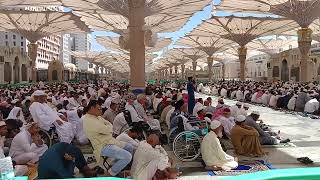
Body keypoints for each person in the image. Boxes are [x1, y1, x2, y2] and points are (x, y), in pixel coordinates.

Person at [82, 100, 133, 177]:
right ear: (92, 108)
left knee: (129, 147)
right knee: (128, 156)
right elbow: (108, 128)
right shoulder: (88, 120)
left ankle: (119, 167)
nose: (101, 110)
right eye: (99, 109)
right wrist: (108, 128)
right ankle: (109, 174)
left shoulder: (97, 117)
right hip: (102, 146)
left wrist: (108, 128)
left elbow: (109, 124)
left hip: (110, 141)